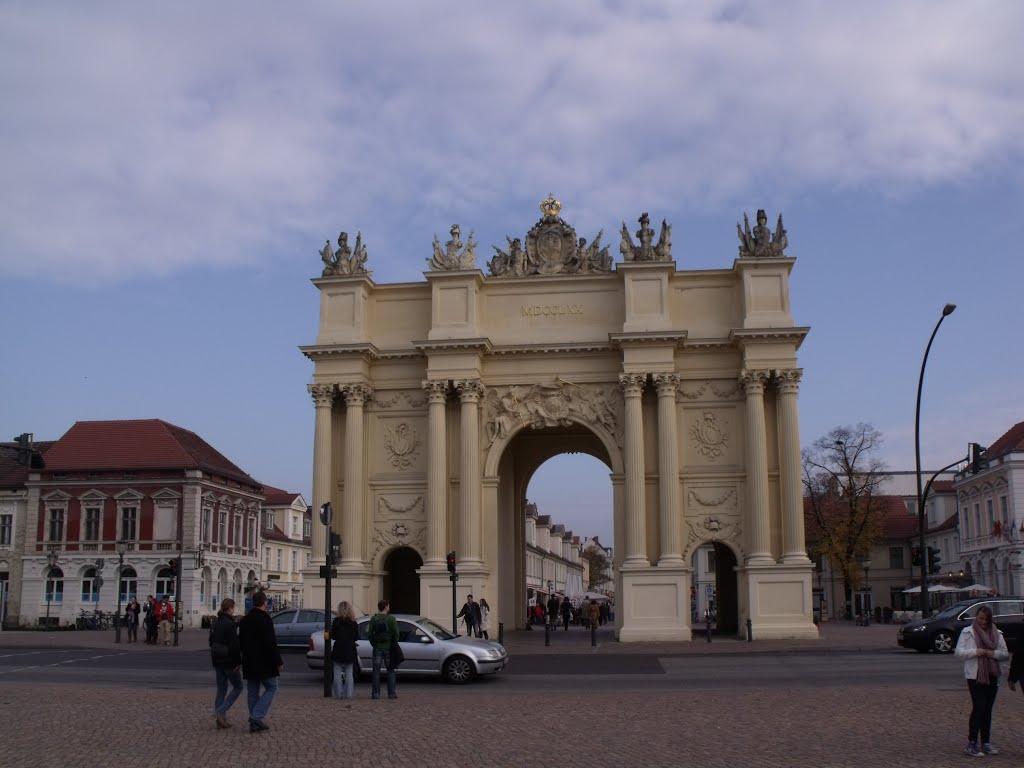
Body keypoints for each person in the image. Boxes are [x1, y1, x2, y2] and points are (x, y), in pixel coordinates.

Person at [954, 604, 1009, 756]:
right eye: (980, 618)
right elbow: (959, 652)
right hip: (975, 675)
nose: (983, 622)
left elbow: (1004, 653)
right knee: (979, 707)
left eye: (986, 619)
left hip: (992, 674)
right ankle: (972, 742)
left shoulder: (996, 633)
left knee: (987, 709)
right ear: (976, 617)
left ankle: (986, 742)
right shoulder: (968, 632)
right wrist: (975, 652)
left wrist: (993, 654)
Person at [238, 591, 283, 732]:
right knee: (272, 687)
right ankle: (256, 716)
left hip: (249, 660)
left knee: (252, 691)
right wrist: (278, 661)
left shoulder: (245, 620)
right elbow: (271, 643)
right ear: (265, 602)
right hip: (264, 660)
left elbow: (240, 641)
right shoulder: (265, 619)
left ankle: (254, 722)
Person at [209, 598, 243, 729]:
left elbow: (211, 642)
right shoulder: (230, 624)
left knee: (221, 689)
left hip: (217, 660)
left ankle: (220, 719)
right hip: (228, 660)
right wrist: (238, 662)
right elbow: (234, 645)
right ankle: (220, 712)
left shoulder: (216, 623)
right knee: (238, 687)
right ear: (230, 608)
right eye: (233, 608)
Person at [368, 599, 399, 700]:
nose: (389, 607)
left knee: (376, 672)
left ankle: (376, 694)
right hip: (389, 648)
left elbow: (369, 634)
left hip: (377, 648)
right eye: (388, 606)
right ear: (385, 607)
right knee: (390, 671)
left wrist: (374, 644)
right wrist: (392, 642)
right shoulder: (391, 619)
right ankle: (391, 693)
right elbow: (396, 634)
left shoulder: (374, 619)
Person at [329, 601, 359, 701]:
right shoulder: (354, 623)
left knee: (337, 673)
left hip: (338, 649)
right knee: (349, 673)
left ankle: (338, 695)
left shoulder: (336, 622)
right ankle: (348, 695)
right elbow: (356, 637)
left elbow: (332, 636)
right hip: (350, 649)